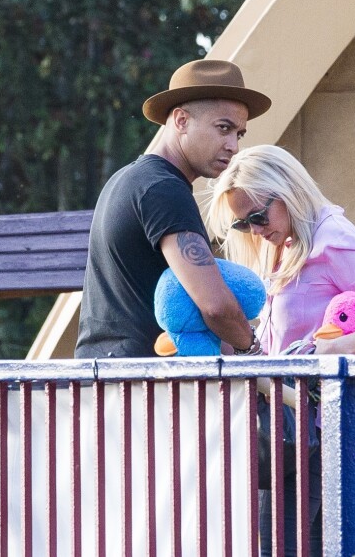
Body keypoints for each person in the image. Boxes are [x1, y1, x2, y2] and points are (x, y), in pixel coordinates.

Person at [207, 144, 355, 556]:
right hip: (296, 427)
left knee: (283, 545)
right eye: (242, 224)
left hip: (327, 428)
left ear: (286, 192)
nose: (254, 231)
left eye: (257, 217)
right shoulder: (284, 244)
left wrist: (332, 351)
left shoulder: (334, 240)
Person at [75, 60, 271, 358]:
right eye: (223, 128)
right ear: (181, 121)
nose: (233, 146)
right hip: (143, 386)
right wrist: (254, 352)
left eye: (239, 134)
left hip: (105, 379)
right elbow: (215, 305)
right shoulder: (164, 190)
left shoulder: (128, 179)